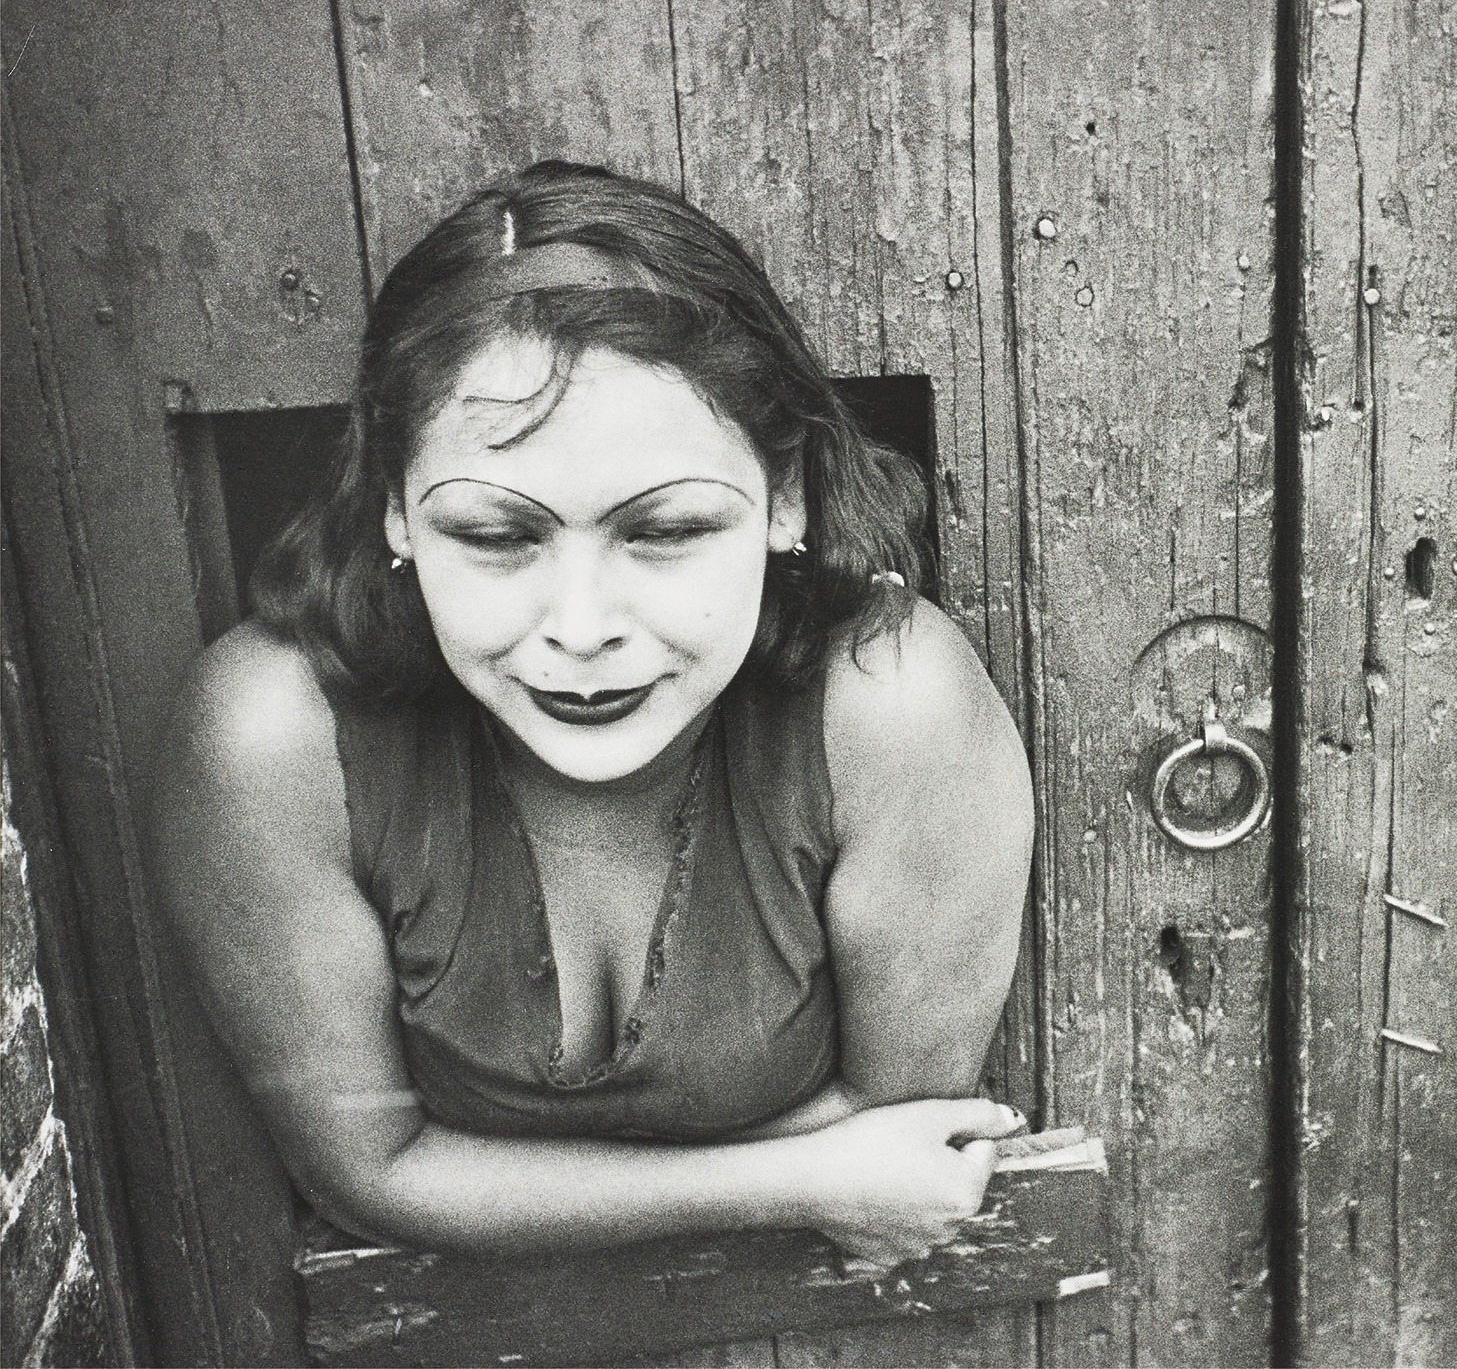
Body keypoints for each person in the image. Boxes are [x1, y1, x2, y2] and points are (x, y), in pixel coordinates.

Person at [154, 161, 1034, 1265]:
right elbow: (366, 1172)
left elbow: (898, 1123)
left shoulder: (889, 710)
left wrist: (499, 1182)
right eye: (494, 536)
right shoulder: (273, 737)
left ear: (788, 498)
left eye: (664, 531)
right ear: (392, 506)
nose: (579, 625)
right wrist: (799, 1183)